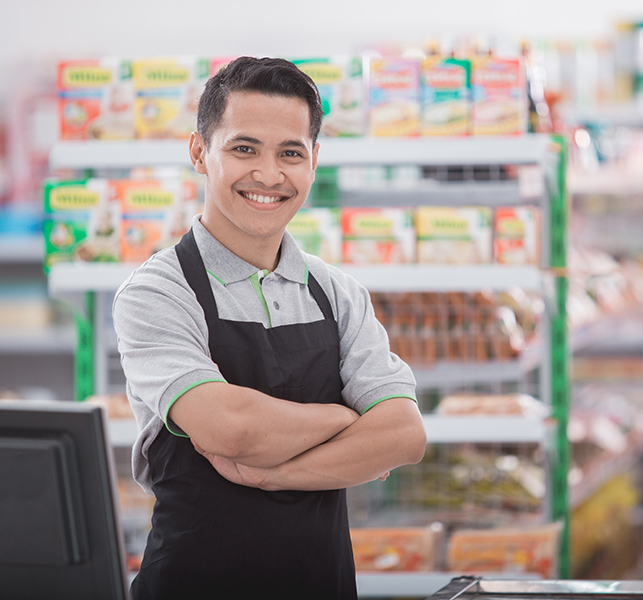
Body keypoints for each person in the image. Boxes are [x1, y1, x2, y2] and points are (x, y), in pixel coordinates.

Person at [113, 56, 427, 600]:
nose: (268, 174)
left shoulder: (337, 293)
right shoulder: (158, 291)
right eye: (243, 148)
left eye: (290, 153)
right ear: (199, 153)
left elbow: (405, 435)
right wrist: (345, 418)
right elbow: (230, 429)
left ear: (313, 162)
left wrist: (270, 473)